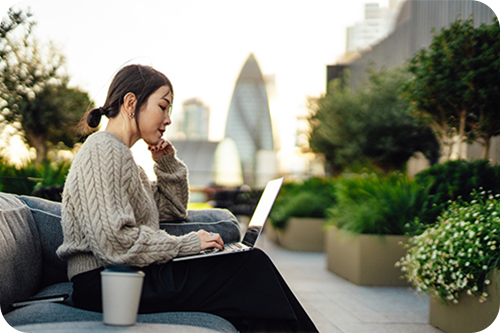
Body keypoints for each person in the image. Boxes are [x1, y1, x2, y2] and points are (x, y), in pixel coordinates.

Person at [56, 64, 318, 333]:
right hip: (106, 283)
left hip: (125, 277)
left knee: (251, 276)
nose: (168, 119)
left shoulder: (126, 159)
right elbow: (114, 244)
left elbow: (172, 211)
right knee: (250, 268)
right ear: (131, 102)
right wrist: (188, 244)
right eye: (163, 106)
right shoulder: (103, 150)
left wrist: (166, 163)